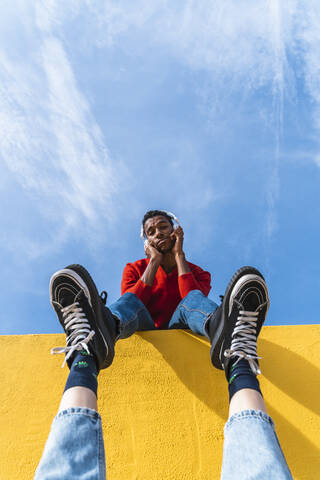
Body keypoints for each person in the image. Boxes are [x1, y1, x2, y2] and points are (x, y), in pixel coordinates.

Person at [34, 247, 293, 478]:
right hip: (144, 325)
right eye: (151, 230)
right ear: (146, 239)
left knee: (189, 300)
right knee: (133, 303)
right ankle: (104, 331)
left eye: (163, 227)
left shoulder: (196, 271)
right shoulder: (135, 268)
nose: (158, 233)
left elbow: (190, 293)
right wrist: (154, 262)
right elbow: (137, 297)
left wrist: (179, 257)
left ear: (175, 232)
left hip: (183, 323)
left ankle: (219, 330)